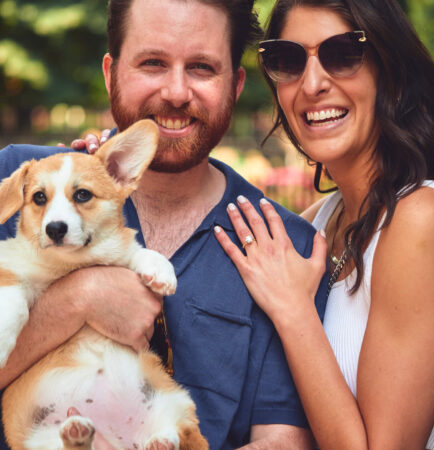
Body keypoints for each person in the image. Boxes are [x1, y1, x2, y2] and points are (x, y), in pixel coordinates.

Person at [0, 0, 329, 449]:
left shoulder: (284, 247)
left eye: (201, 67)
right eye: (153, 63)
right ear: (110, 73)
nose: (176, 92)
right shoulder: (20, 184)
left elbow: (283, 441)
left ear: (234, 85)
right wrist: (79, 299)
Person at [214, 0, 434, 448]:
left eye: (343, 54)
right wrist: (99, 177)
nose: (313, 83)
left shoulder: (424, 217)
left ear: (392, 73)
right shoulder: (317, 226)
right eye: (288, 60)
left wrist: (294, 311)